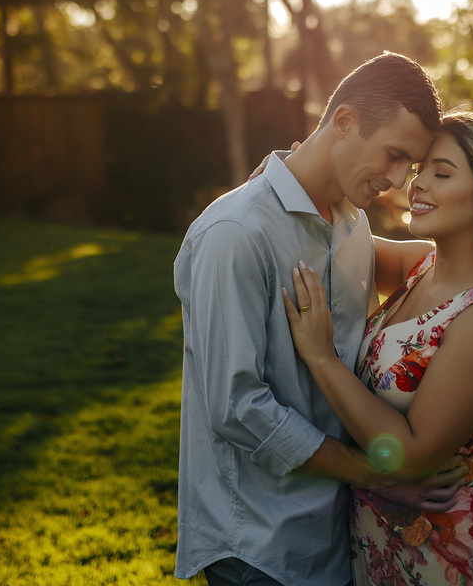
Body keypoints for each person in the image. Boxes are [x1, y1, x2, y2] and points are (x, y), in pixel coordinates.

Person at [173, 52, 449, 586]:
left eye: (409, 166)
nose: (396, 180)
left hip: (335, 535)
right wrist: (377, 474)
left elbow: (439, 278)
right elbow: (238, 408)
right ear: (343, 122)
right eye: (393, 155)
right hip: (257, 546)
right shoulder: (235, 233)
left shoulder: (350, 224)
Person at [283, 110, 473, 586]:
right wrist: (291, 170)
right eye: (420, 169)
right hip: (386, 549)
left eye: (441, 173)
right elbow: (321, 232)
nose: (417, 185)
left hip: (458, 559)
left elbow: (408, 457)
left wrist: (322, 357)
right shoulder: (418, 266)